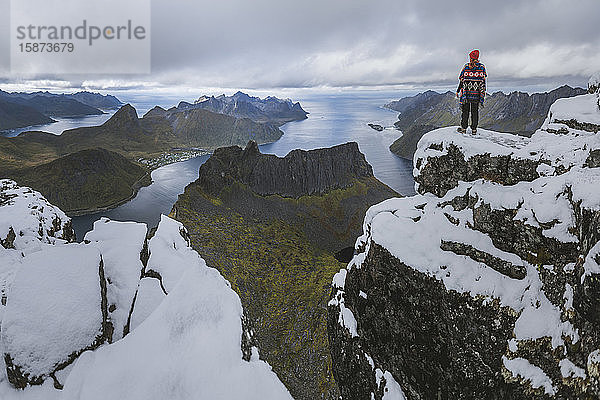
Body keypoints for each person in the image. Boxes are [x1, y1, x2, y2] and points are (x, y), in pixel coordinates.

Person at [456, 49, 487, 134]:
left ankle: (464, 129)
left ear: (470, 58)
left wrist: (458, 90)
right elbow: (483, 82)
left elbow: (462, 80)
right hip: (476, 95)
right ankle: (474, 129)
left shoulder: (466, 67)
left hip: (466, 94)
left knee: (465, 111)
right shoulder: (482, 67)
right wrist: (483, 92)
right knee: (475, 112)